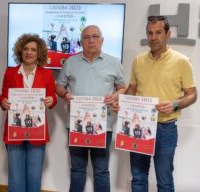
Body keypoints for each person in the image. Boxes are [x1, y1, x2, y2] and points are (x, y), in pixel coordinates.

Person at [122, 16, 197, 192]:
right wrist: (124, 102)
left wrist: (176, 104)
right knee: (138, 178)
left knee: (164, 180)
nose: (153, 37)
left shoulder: (181, 61)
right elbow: (132, 89)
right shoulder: (138, 60)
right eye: (150, 33)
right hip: (138, 126)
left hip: (166, 128)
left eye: (158, 33)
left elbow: (192, 94)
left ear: (168, 34)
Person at [56, 25, 126, 192]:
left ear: (102, 40)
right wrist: (65, 94)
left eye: (95, 36)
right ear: (81, 42)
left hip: (104, 125)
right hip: (77, 125)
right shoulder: (71, 62)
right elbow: (59, 86)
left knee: (101, 170)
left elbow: (123, 87)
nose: (91, 40)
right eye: (86, 37)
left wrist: (116, 96)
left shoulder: (114, 62)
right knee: (77, 169)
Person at [0, 33, 57, 192]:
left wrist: (51, 101)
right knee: (15, 176)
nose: (29, 52)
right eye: (25, 49)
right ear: (20, 51)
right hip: (14, 130)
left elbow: (52, 98)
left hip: (37, 131)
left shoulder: (47, 74)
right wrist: (3, 102)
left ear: (39, 54)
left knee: (34, 174)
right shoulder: (10, 72)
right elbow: (3, 96)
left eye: (33, 49)